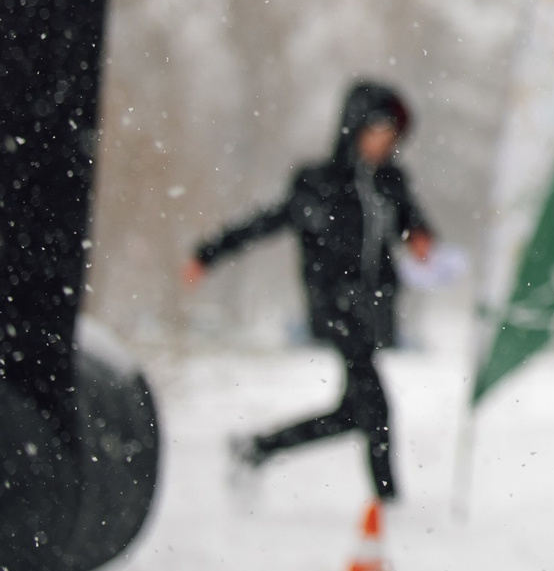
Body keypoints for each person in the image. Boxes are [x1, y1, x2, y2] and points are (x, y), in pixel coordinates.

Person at [184, 80, 435, 503]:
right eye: (378, 132)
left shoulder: (391, 182)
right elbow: (267, 221)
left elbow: (412, 225)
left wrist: (423, 241)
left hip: (373, 308)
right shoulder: (319, 183)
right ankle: (388, 502)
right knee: (376, 407)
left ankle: (257, 448)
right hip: (334, 305)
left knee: (354, 412)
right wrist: (209, 253)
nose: (384, 143)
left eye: (391, 136)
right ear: (355, 127)